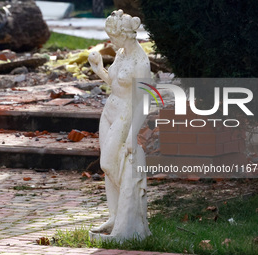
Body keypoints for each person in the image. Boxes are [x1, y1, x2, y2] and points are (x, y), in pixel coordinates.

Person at [88, 9, 151, 240]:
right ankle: (115, 215)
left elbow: (144, 103)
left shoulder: (141, 62)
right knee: (110, 165)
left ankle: (129, 209)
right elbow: (115, 82)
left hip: (125, 113)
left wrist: (133, 134)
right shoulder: (122, 53)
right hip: (109, 112)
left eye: (114, 37)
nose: (111, 42)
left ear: (126, 35)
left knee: (107, 163)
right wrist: (99, 71)